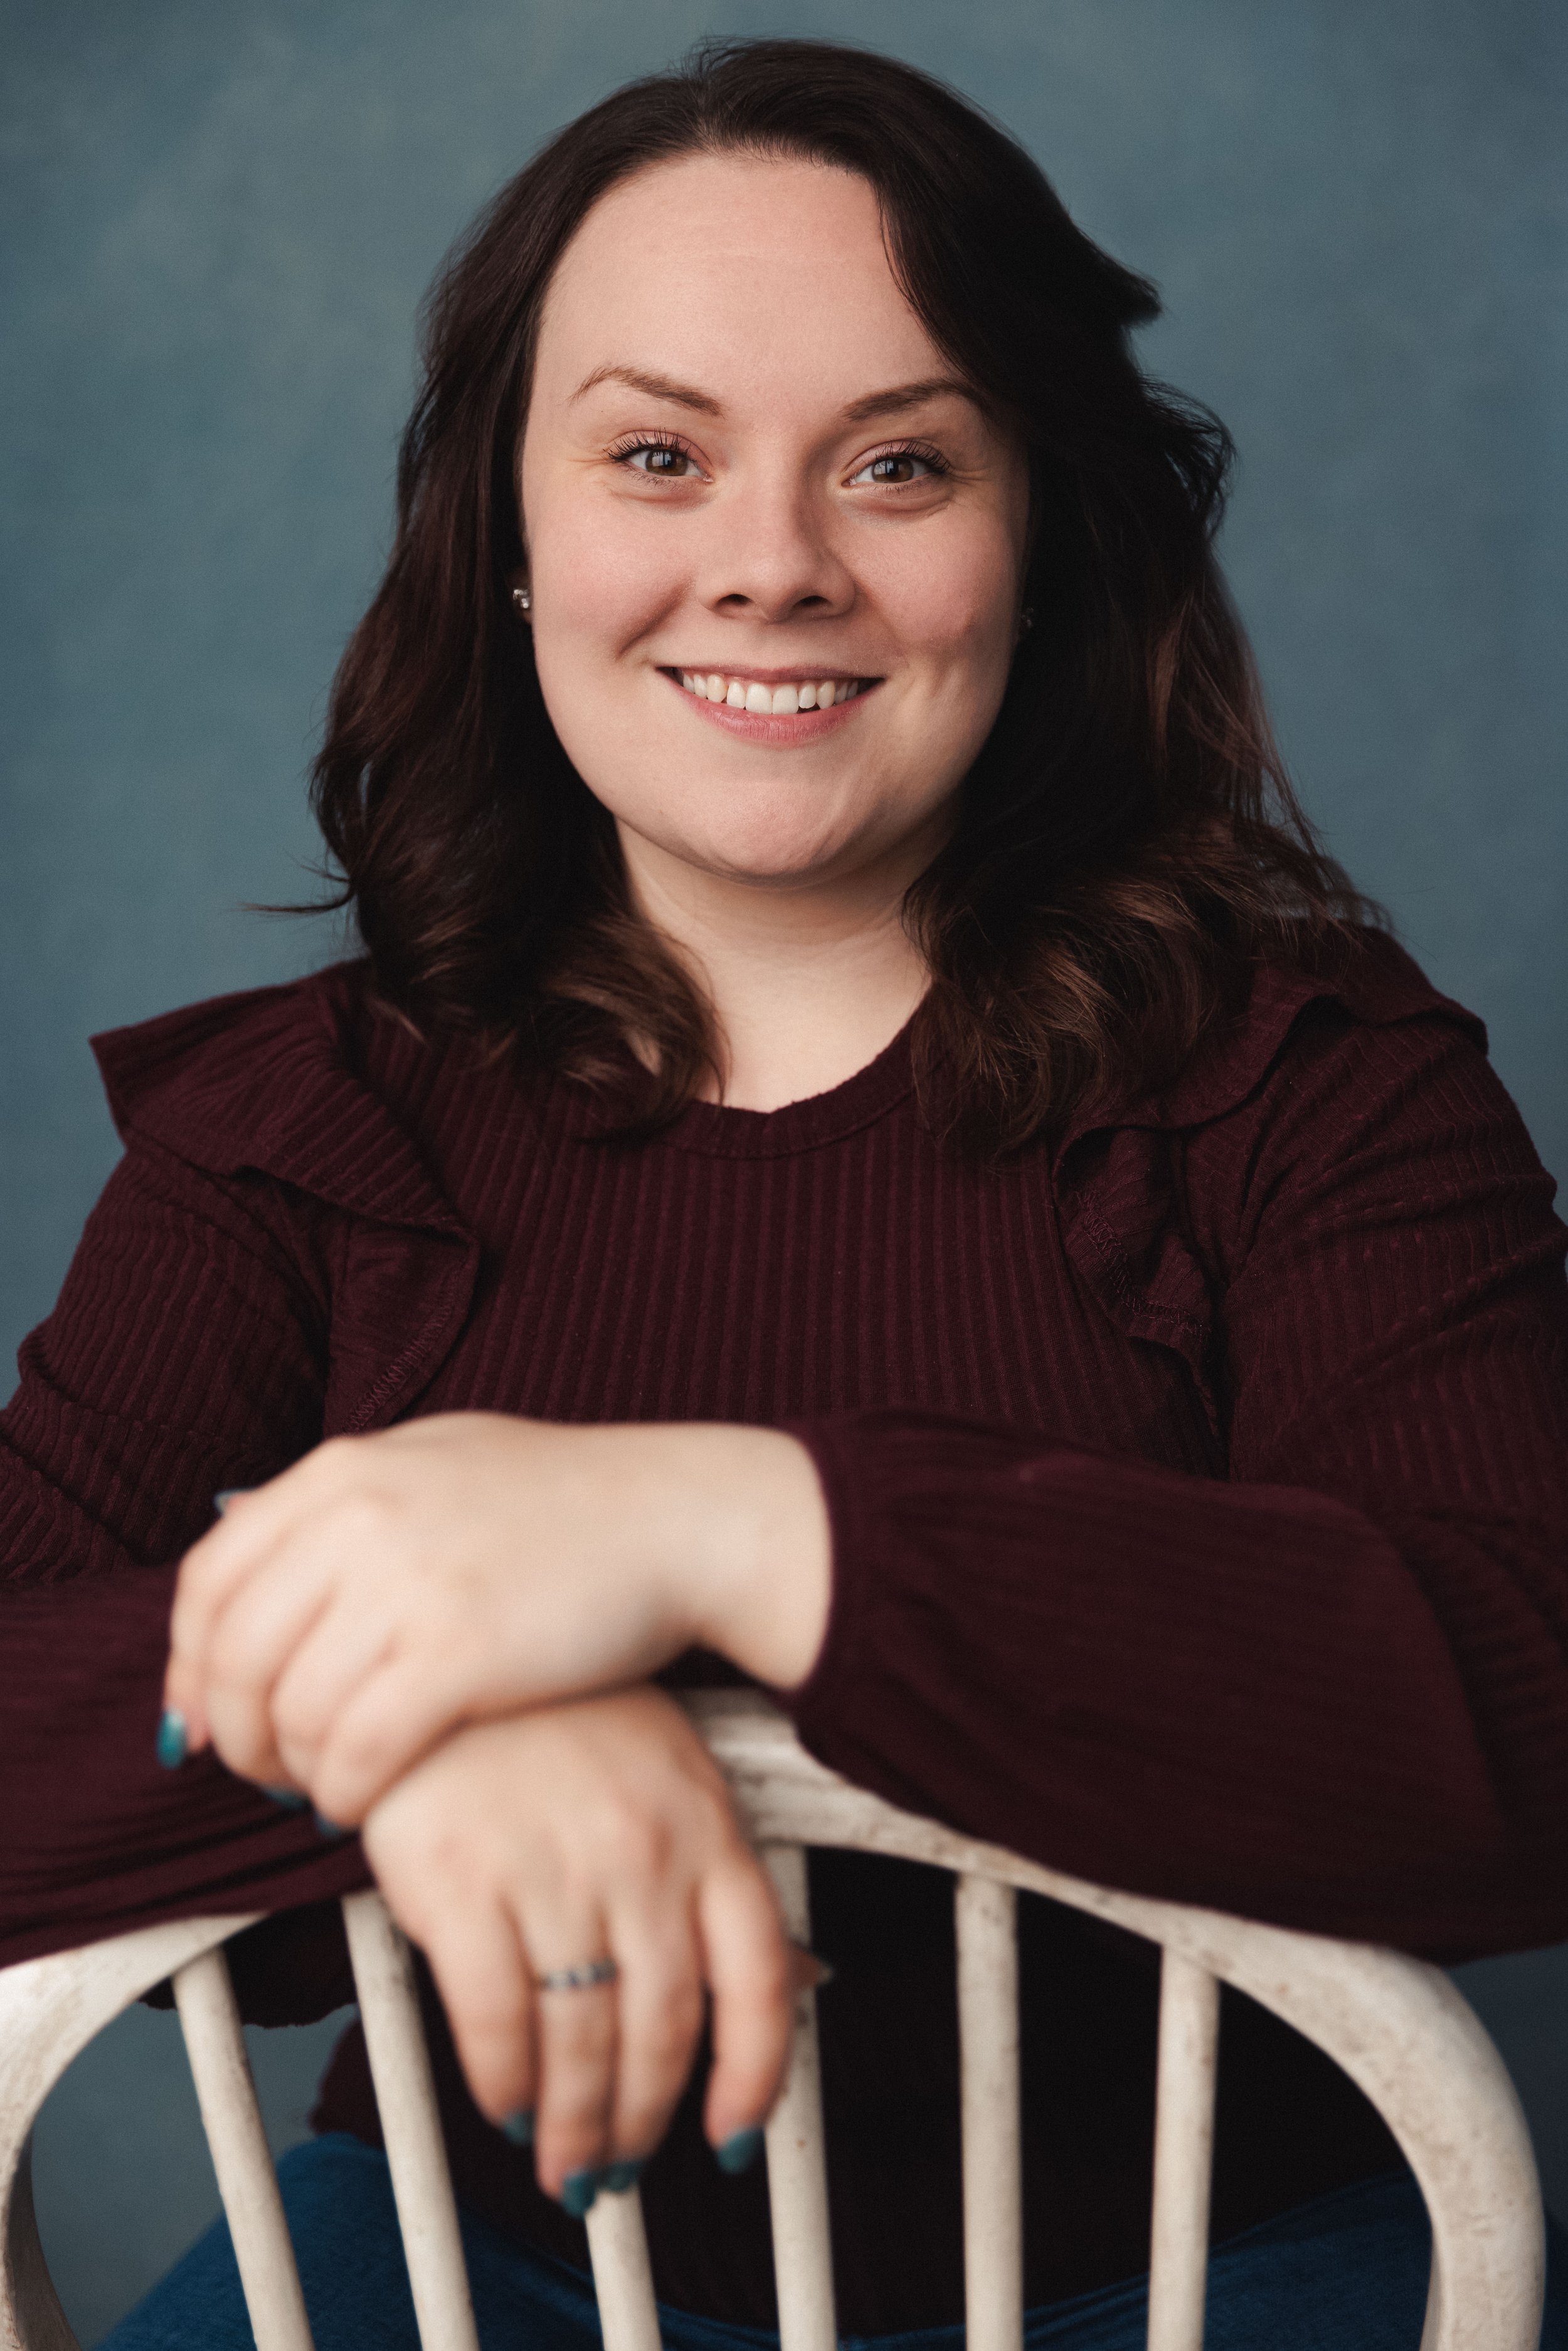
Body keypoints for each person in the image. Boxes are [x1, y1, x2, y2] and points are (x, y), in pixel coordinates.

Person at [4, 36, 1566, 2350]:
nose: (770, 565)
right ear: (511, 538)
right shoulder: (303, 1129)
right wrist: (434, 1700)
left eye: (900, 464)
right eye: (655, 453)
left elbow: (1525, 1695)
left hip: (1194, 2280)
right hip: (462, 2273)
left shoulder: (1300, 1081)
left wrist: (722, 1531)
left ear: (1035, 538)